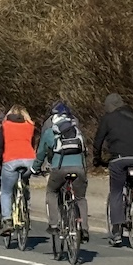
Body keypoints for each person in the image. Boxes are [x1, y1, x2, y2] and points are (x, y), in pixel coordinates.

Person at [93, 93, 133, 247]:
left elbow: (98, 140)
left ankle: (116, 233)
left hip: (119, 158)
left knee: (116, 191)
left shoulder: (108, 119)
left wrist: (96, 159)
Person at [33, 103, 89, 240]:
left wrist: (35, 168)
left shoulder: (50, 132)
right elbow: (85, 151)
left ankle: (53, 224)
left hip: (59, 168)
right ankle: (85, 228)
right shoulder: (77, 130)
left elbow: (41, 153)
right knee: (81, 198)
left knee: (52, 192)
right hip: (79, 169)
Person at [0, 106, 37, 234]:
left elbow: (0, 146)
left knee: (6, 191)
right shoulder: (30, 125)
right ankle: (26, 212)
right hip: (29, 160)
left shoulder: (5, 126)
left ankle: (7, 220)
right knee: (25, 184)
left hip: (11, 160)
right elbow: (33, 144)